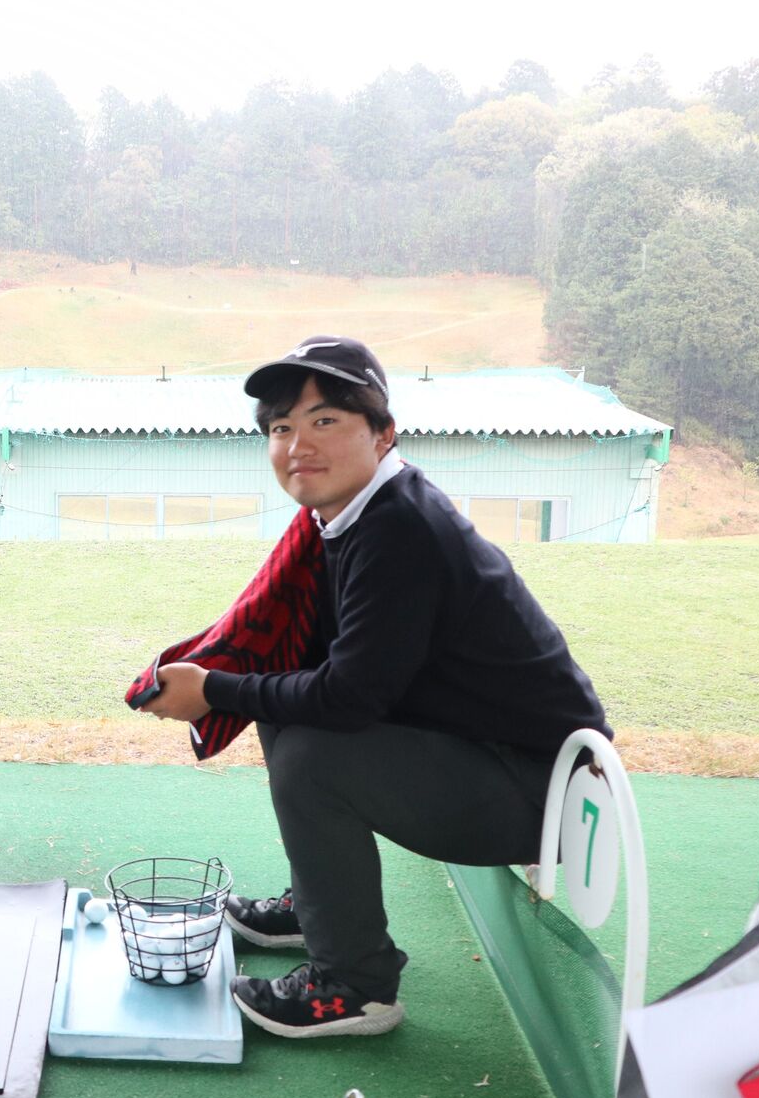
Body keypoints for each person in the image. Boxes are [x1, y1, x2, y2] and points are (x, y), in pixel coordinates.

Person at [139, 336, 611, 1039]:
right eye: (281, 427)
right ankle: (324, 908)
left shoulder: (400, 530)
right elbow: (336, 674)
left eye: (325, 420)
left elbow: (348, 699)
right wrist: (233, 687)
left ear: (383, 433)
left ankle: (355, 986)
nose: (298, 444)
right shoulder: (358, 512)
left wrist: (214, 689)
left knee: (312, 754)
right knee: (283, 705)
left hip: (547, 794)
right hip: (488, 753)